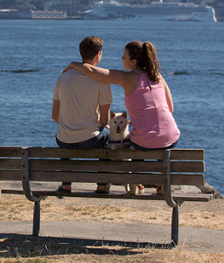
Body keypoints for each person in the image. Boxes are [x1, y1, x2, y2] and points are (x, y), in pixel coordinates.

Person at [64, 40, 180, 194]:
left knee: (132, 142)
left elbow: (91, 71)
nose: (121, 58)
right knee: (158, 143)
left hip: (144, 141)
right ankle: (163, 182)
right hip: (170, 136)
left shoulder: (127, 77)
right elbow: (170, 108)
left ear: (133, 62)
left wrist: (73, 64)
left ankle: (134, 181)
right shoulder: (158, 76)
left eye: (124, 56)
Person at [52, 36, 113, 194]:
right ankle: (102, 185)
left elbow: (55, 115)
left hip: (64, 139)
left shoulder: (62, 77)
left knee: (65, 134)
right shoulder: (102, 81)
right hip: (90, 140)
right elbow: (105, 120)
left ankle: (66, 184)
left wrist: (71, 126)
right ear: (98, 54)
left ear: (81, 53)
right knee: (109, 135)